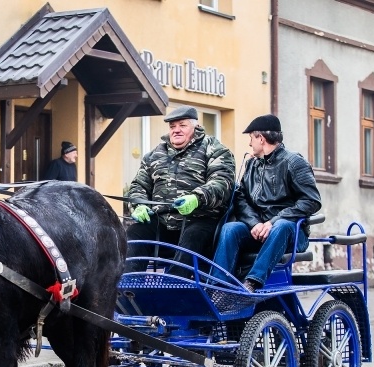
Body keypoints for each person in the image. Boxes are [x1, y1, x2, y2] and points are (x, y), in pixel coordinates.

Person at [211, 114, 322, 292]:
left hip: (290, 235)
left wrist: (272, 222)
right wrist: (255, 224)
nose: (249, 144)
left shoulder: (294, 163)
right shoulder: (252, 165)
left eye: (251, 138)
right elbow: (241, 198)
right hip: (259, 231)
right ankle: (218, 286)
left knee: (282, 226)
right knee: (230, 229)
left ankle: (252, 282)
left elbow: (312, 201)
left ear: (261, 139)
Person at [125, 105, 235, 274]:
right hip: (161, 220)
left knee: (193, 237)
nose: (176, 130)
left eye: (182, 125)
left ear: (195, 126)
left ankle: (174, 287)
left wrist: (197, 198)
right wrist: (138, 205)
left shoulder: (215, 149)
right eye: (172, 126)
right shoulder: (154, 155)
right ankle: (128, 287)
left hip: (199, 219)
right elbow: (138, 185)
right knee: (134, 234)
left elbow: (222, 182)